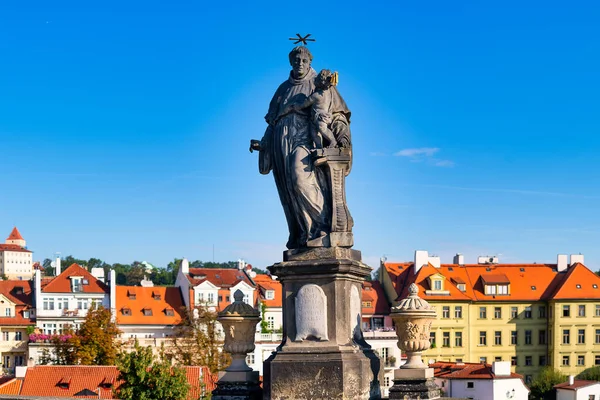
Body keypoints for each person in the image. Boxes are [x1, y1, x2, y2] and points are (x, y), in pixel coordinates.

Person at [250, 46, 352, 249]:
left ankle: (322, 228)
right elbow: (272, 122)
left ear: (310, 62)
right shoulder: (282, 90)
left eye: (304, 60)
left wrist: (341, 139)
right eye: (296, 60)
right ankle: (304, 234)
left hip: (306, 142)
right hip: (281, 146)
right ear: (290, 62)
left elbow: (338, 115)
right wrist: (264, 143)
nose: (300, 64)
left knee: (300, 177)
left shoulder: (320, 85)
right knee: (289, 191)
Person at [282, 69, 338, 149]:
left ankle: (333, 141)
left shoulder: (316, 95)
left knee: (322, 129)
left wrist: (297, 106)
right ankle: (319, 147)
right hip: (314, 117)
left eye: (317, 79)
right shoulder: (328, 93)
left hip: (321, 117)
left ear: (320, 82)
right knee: (314, 134)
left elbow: (305, 104)